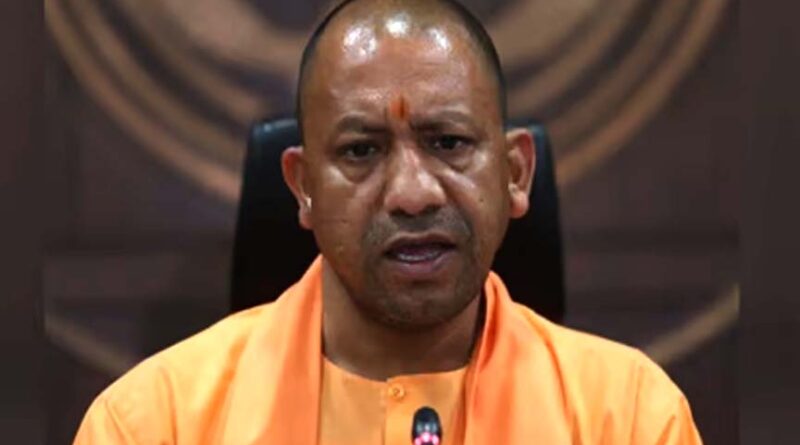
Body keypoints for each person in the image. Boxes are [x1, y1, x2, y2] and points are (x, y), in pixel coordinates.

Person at [74, 0, 702, 443]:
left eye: (449, 142)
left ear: (515, 173)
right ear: (303, 187)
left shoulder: (631, 419)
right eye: (361, 151)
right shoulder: (154, 425)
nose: (411, 194)